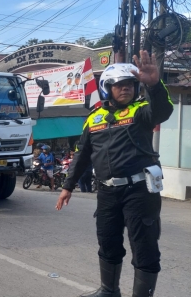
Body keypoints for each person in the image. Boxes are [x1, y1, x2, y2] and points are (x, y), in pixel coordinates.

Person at [56, 51, 173, 297]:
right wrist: (68, 186)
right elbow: (82, 154)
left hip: (139, 192)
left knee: (144, 247)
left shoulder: (141, 112)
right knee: (107, 241)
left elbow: (162, 111)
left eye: (130, 84)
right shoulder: (94, 119)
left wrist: (154, 85)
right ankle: (109, 291)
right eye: (119, 85)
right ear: (108, 88)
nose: (126, 89)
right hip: (107, 192)